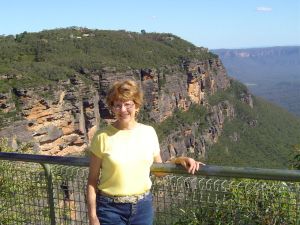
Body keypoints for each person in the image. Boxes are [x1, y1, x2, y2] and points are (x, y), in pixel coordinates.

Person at [87, 79, 205, 225]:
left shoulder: (148, 133)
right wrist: (92, 216)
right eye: (117, 105)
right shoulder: (102, 136)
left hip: (142, 208)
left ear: (136, 105)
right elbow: (92, 180)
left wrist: (179, 160)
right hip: (110, 209)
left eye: (127, 104)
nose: (123, 110)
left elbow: (159, 171)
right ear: (112, 108)